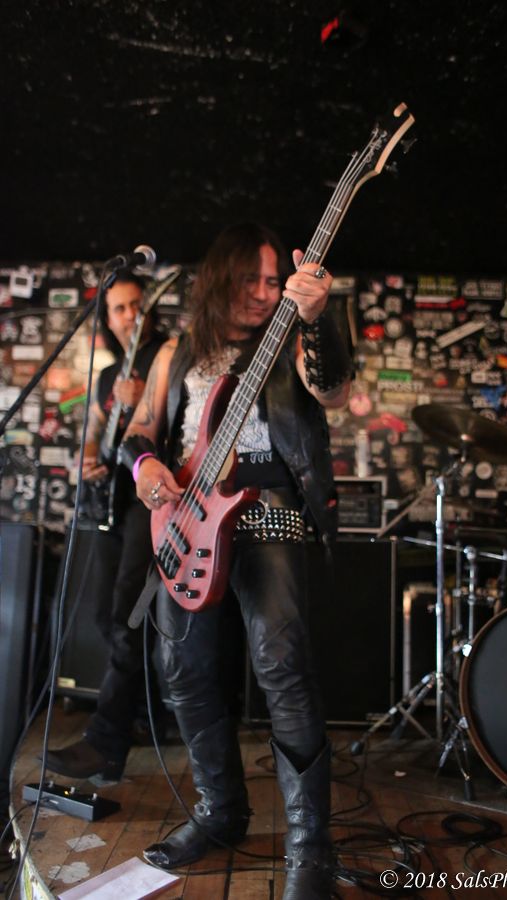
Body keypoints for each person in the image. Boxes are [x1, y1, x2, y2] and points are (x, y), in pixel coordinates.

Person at [118, 223, 352, 899]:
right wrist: (145, 466)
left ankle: (310, 845)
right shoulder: (177, 351)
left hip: (266, 508)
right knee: (182, 670)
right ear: (222, 277)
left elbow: (333, 391)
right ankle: (220, 812)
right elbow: (139, 431)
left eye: (274, 281)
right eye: (252, 278)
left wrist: (316, 317)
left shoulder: (290, 337)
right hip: (188, 516)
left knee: (282, 663)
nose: (264, 292)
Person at [45, 272, 167, 782]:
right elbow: (94, 433)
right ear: (108, 317)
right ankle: (146, 715)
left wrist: (139, 402)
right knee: (101, 613)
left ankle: (107, 741)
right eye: (119, 308)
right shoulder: (107, 374)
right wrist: (91, 456)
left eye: (137, 304)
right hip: (110, 500)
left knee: (127, 612)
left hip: (151, 500)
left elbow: (163, 423)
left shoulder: (167, 354)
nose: (130, 315)